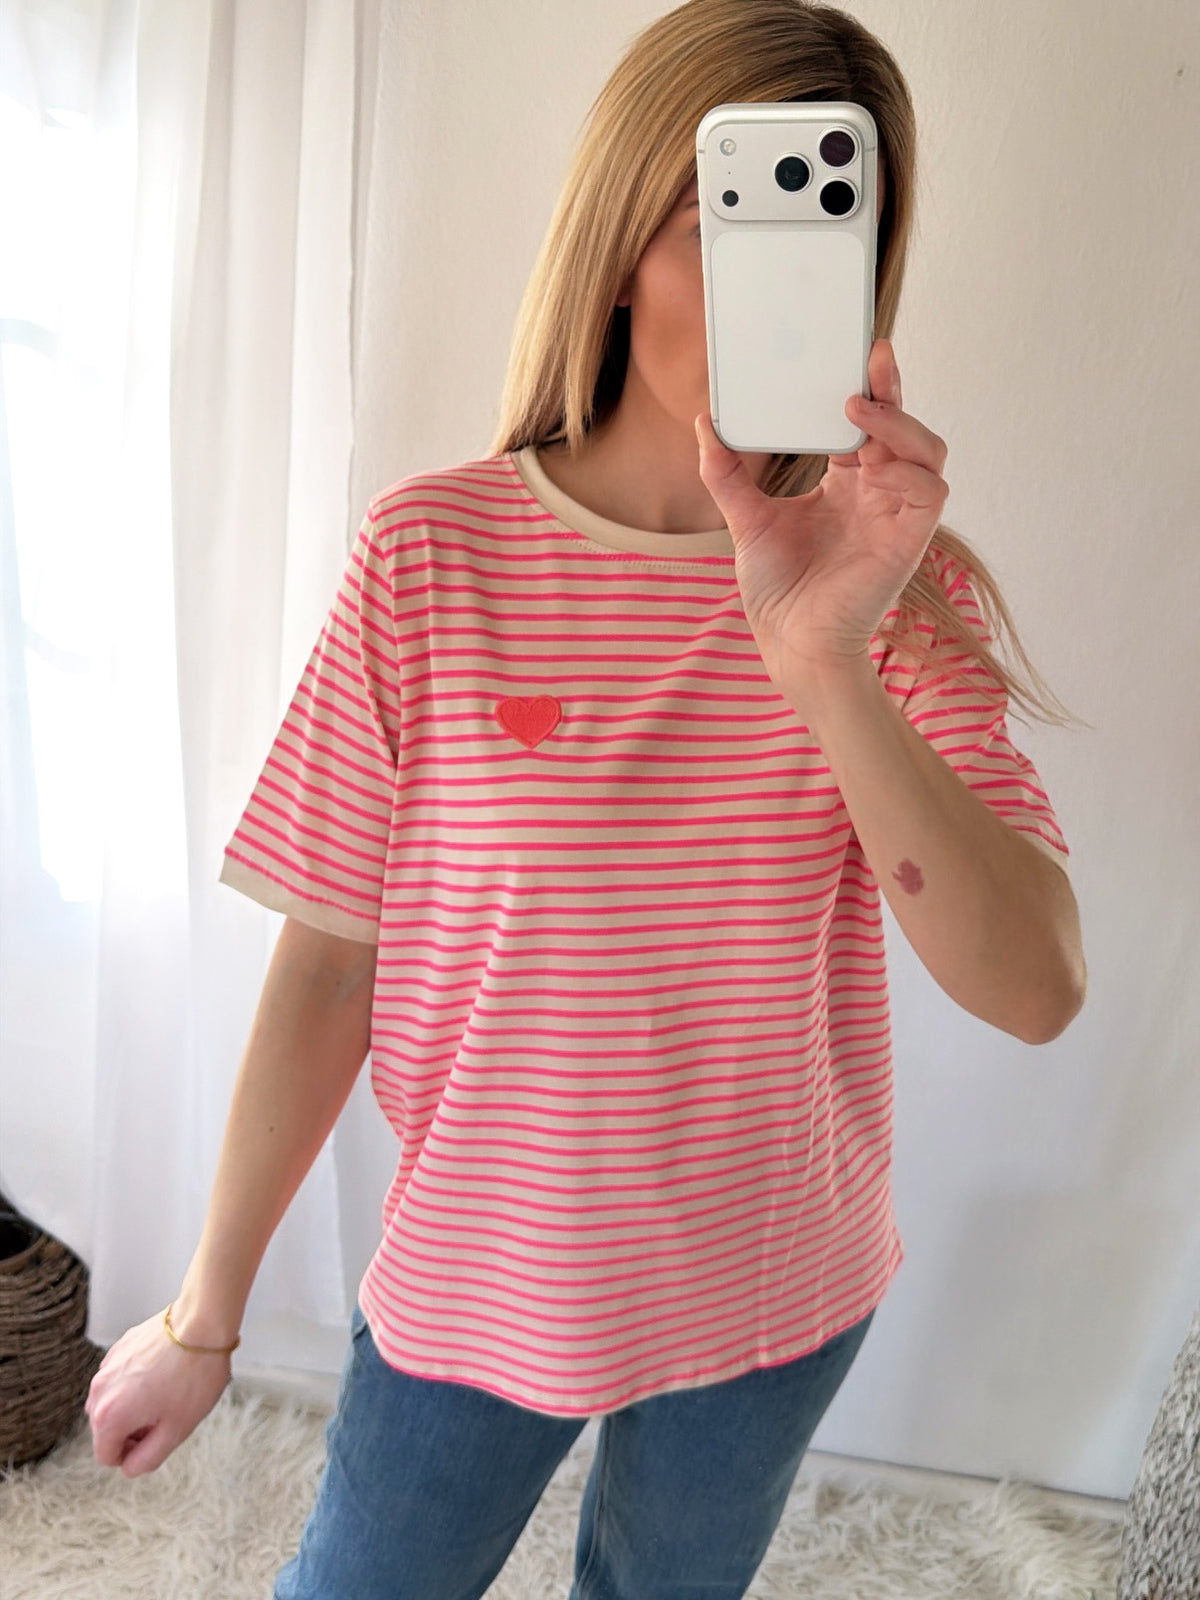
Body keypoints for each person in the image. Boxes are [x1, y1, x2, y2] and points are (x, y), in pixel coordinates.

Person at [86, 1, 1087, 1596]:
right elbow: (330, 966)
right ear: (619, 247)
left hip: (773, 1283)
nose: (780, 280)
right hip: (479, 1278)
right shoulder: (432, 555)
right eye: (728, 222)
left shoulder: (893, 594)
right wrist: (204, 1317)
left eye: (833, 230)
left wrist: (824, 659)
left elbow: (1038, 988)